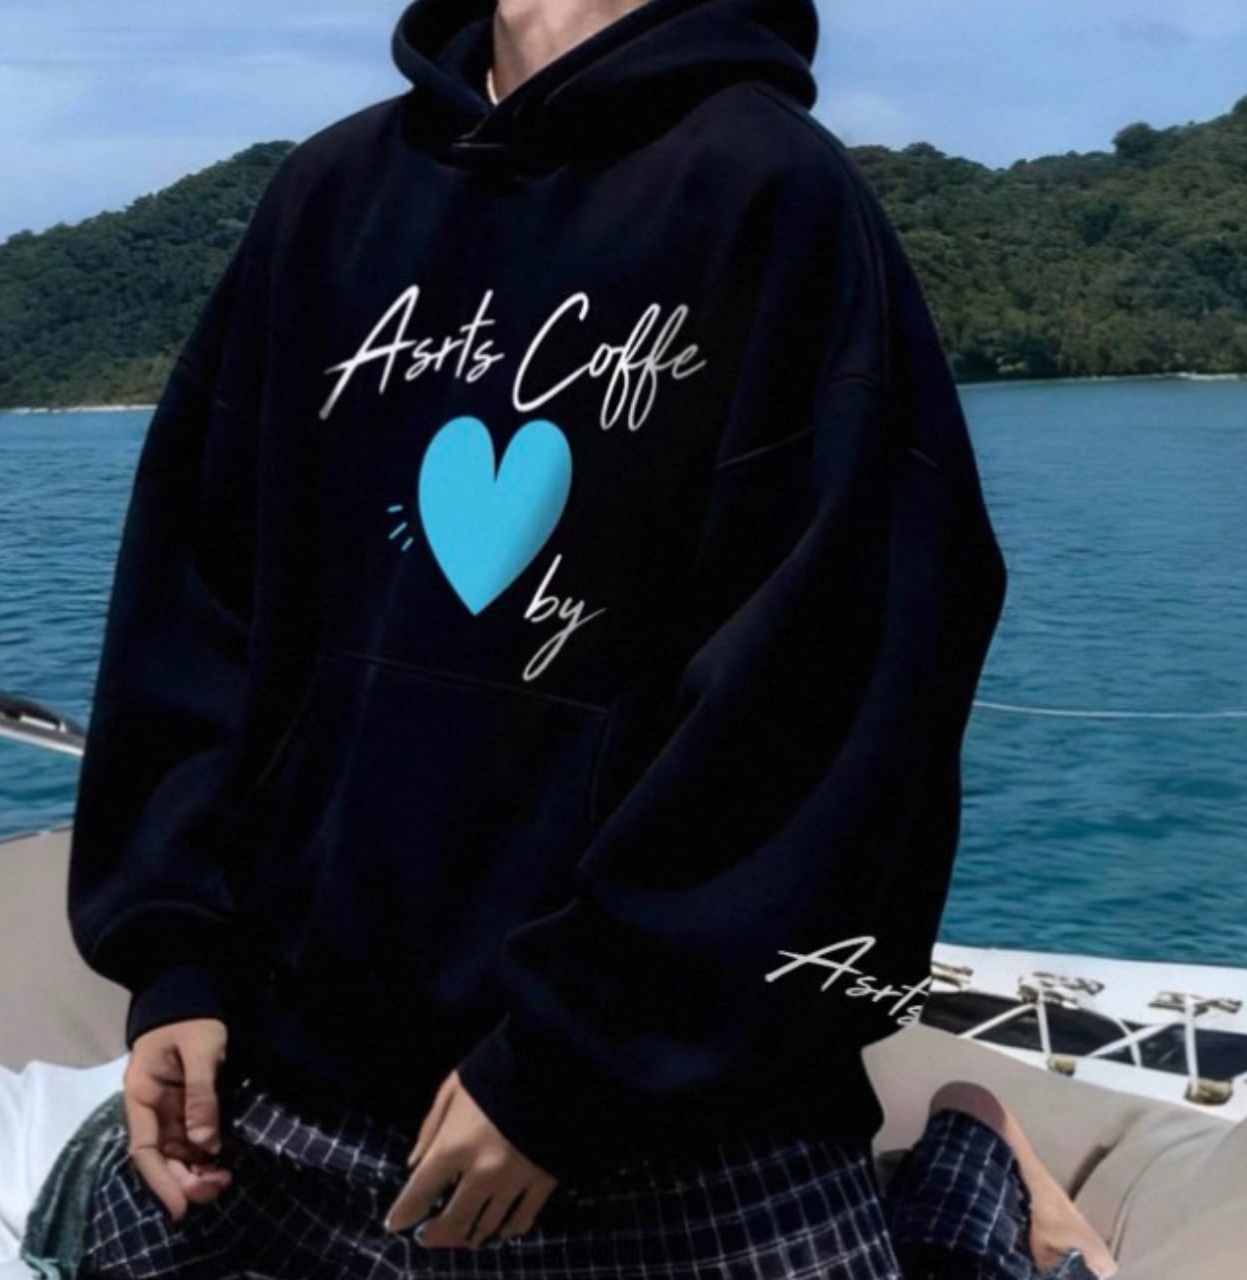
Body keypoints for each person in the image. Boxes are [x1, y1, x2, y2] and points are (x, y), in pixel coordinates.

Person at [65, 0, 1010, 1274]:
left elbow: (839, 683)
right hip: (292, 1093)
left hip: (661, 1129)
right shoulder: (331, 196)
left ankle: (978, 1166)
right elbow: (193, 597)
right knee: (80, 1229)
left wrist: (577, 1048)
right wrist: (174, 955)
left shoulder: (774, 195)